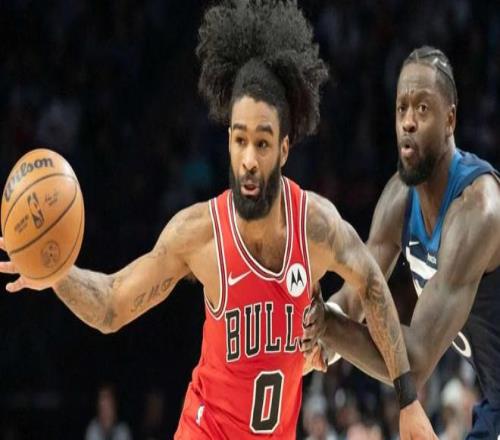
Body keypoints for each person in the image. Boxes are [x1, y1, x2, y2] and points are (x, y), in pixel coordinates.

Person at [0, 3, 435, 439]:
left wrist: (408, 399)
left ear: (284, 149)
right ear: (228, 141)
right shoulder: (198, 234)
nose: (248, 159)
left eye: (262, 143)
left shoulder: (315, 227)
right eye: (240, 139)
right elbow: (112, 304)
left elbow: (372, 285)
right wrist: (57, 274)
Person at [302, 46, 500, 439]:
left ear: (450, 119)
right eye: (401, 108)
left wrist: (329, 327)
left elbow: (416, 360)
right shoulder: (399, 197)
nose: (408, 122)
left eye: (422, 109)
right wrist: (318, 326)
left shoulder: (479, 209)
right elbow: (358, 292)